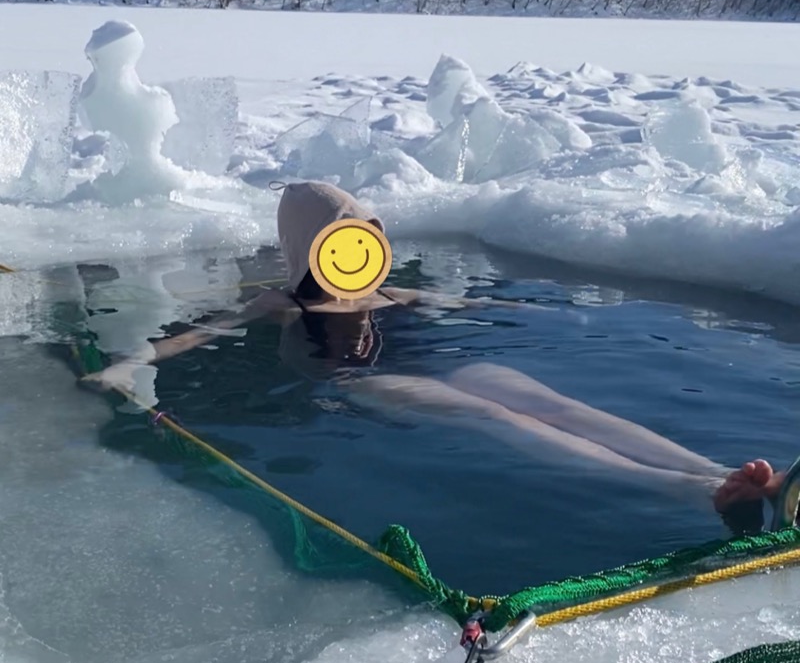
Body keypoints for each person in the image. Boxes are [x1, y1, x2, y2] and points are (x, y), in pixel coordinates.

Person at [84, 180, 785, 528]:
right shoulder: (281, 302)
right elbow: (193, 338)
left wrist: (524, 306)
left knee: (546, 399)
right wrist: (127, 365)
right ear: (308, 247)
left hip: (422, 364)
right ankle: (691, 492)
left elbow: (459, 307)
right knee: (493, 413)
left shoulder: (386, 291)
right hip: (354, 385)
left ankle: (718, 470)